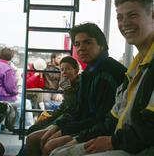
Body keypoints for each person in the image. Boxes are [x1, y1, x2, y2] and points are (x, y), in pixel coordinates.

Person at [49, 0, 154, 156]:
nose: (124, 23)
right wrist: (74, 136)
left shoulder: (111, 73)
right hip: (122, 138)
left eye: (133, 15)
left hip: (141, 147)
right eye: (120, 17)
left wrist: (112, 141)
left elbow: (149, 128)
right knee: (57, 151)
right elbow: (111, 118)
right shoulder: (135, 68)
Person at [25, 22, 127, 156]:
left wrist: (66, 130)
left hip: (101, 130)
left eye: (87, 42)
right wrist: (59, 125)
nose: (81, 48)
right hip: (83, 123)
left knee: (49, 146)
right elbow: (74, 108)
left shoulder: (110, 73)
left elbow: (102, 119)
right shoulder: (87, 74)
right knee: (33, 135)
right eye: (77, 44)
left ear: (101, 45)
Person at [27, 56, 80, 134]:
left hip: (70, 121)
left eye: (68, 69)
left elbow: (72, 108)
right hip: (62, 116)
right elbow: (64, 105)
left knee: (34, 131)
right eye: (62, 70)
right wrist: (51, 117)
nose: (64, 72)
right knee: (33, 128)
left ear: (76, 71)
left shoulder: (79, 85)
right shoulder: (67, 83)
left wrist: (55, 122)